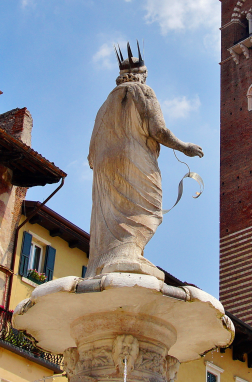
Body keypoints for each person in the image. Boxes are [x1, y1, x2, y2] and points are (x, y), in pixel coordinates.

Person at [86, 44, 202, 280]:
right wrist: (184, 147)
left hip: (103, 167)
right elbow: (158, 129)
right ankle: (127, 254)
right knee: (149, 209)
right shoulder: (143, 91)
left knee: (112, 212)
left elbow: (90, 154)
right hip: (134, 157)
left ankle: (108, 258)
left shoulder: (103, 107)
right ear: (142, 75)